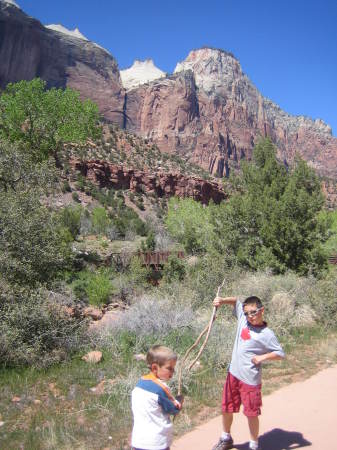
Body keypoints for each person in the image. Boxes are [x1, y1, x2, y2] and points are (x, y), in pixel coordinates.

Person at [212, 295, 285, 450]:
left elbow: (280, 354)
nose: (249, 316)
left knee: (251, 413)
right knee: (226, 407)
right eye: (246, 313)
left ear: (262, 310)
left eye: (253, 312)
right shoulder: (243, 319)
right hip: (233, 373)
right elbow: (236, 301)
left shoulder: (267, 334)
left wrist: (262, 357)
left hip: (250, 380)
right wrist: (221, 300)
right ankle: (226, 438)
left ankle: (254, 445)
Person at [131, 345, 183, 450]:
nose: (173, 372)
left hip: (138, 442)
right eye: (170, 368)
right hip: (156, 443)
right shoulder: (160, 389)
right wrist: (179, 400)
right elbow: (174, 409)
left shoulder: (139, 384)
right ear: (155, 368)